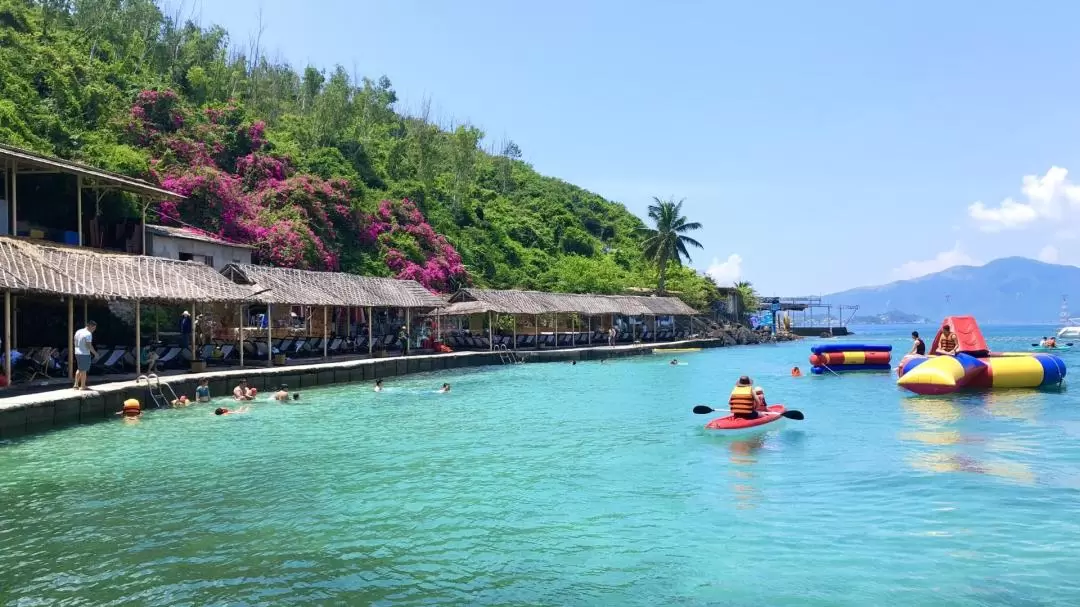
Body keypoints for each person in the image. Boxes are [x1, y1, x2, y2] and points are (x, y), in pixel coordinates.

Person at [72, 320, 98, 391]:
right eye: (93, 328)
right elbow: (89, 345)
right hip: (84, 354)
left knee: (79, 369)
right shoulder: (88, 334)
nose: (94, 330)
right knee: (84, 370)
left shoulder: (78, 331)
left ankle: (76, 385)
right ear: (90, 326)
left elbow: (74, 341)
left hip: (77, 352)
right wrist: (95, 353)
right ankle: (83, 386)